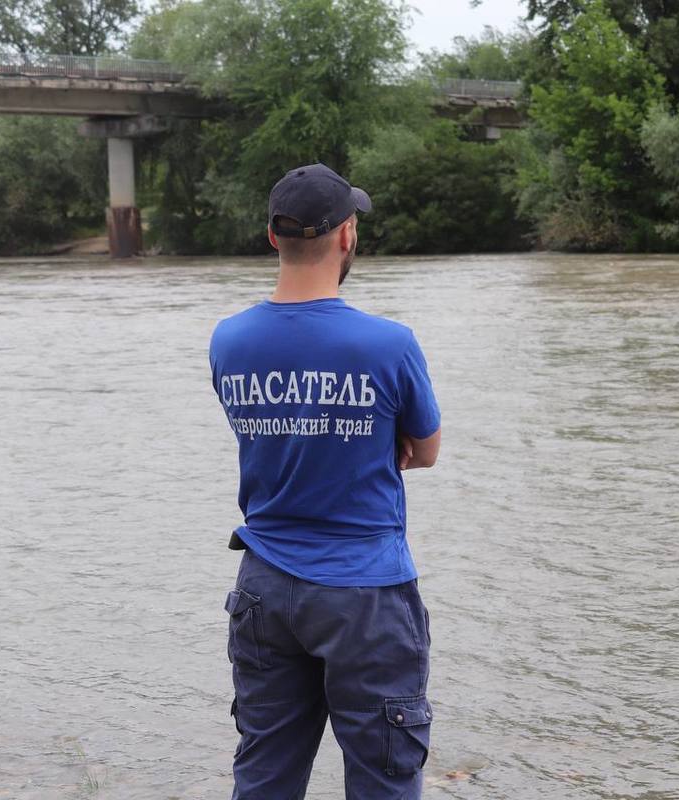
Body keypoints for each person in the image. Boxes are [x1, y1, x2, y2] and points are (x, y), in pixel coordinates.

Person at [209, 163, 442, 799]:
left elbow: (264, 434)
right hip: (365, 591)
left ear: (271, 237)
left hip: (264, 583)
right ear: (345, 237)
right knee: (384, 777)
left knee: (265, 773)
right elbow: (425, 451)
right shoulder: (389, 344)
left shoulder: (228, 341)